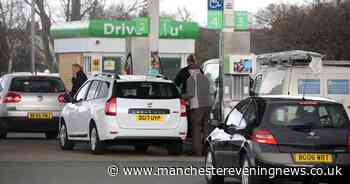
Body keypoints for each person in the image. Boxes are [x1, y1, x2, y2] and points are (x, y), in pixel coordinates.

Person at [186, 65, 212, 156]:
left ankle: (198, 152)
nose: (189, 72)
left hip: (197, 108)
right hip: (208, 107)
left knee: (196, 129)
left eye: (189, 70)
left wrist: (183, 97)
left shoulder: (191, 79)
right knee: (206, 130)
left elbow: (191, 94)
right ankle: (207, 152)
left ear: (192, 70)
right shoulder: (206, 78)